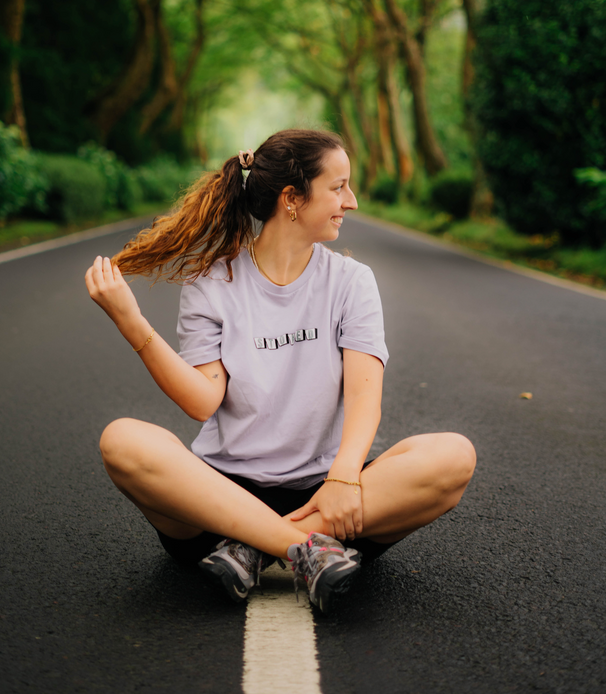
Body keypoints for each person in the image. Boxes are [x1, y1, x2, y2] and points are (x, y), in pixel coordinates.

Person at [85, 129, 476, 613]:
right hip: (219, 496)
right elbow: (202, 401)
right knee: (122, 441)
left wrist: (344, 478)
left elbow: (363, 398)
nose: (350, 202)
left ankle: (251, 546)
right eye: (338, 187)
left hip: (325, 499)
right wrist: (131, 321)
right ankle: (302, 549)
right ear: (292, 198)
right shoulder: (212, 282)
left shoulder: (352, 282)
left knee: (453, 457)